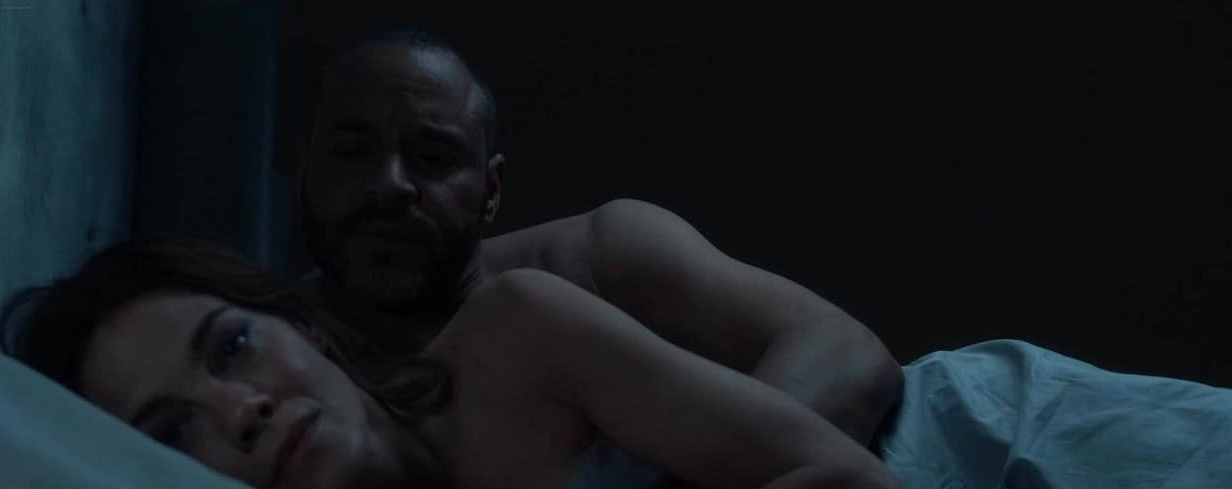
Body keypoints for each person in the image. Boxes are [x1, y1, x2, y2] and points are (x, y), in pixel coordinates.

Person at [0, 237, 929, 489]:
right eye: (173, 430)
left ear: (308, 326)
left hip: (972, 445)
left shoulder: (514, 340)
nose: (241, 410)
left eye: (235, 345)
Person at [293, 28, 901, 455]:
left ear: (491, 190)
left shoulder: (598, 255)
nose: (389, 184)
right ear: (304, 169)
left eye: (432, 157)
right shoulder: (274, 357)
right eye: (350, 152)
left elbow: (845, 351)